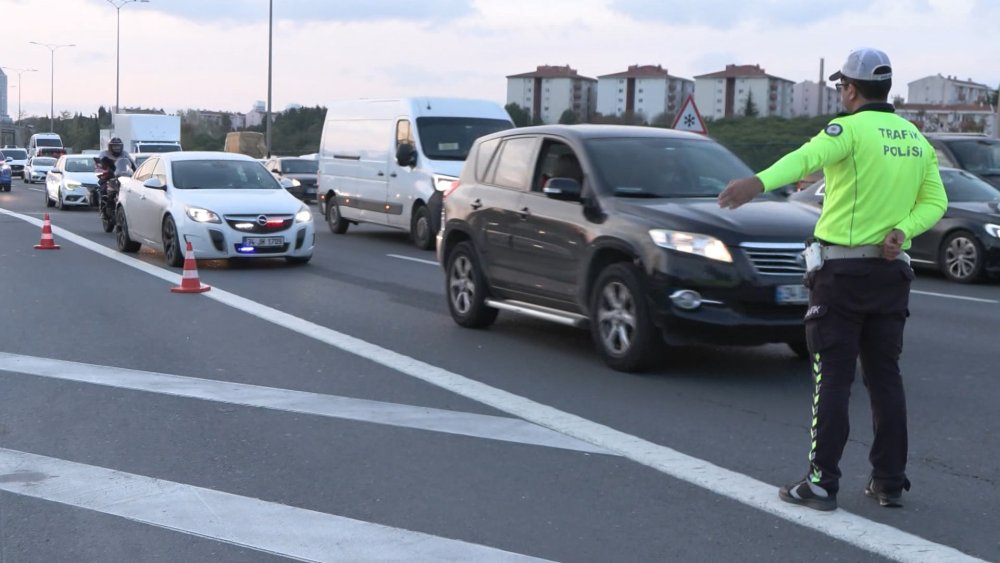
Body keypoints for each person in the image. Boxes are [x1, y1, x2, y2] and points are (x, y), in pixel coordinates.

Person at [718, 48, 947, 511]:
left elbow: (805, 157)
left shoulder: (848, 129)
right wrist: (902, 232)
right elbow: (934, 202)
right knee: (886, 379)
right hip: (890, 273)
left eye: (842, 86)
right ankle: (888, 480)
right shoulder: (913, 138)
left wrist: (755, 184)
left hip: (841, 275)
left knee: (833, 380)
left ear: (850, 88)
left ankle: (821, 482)